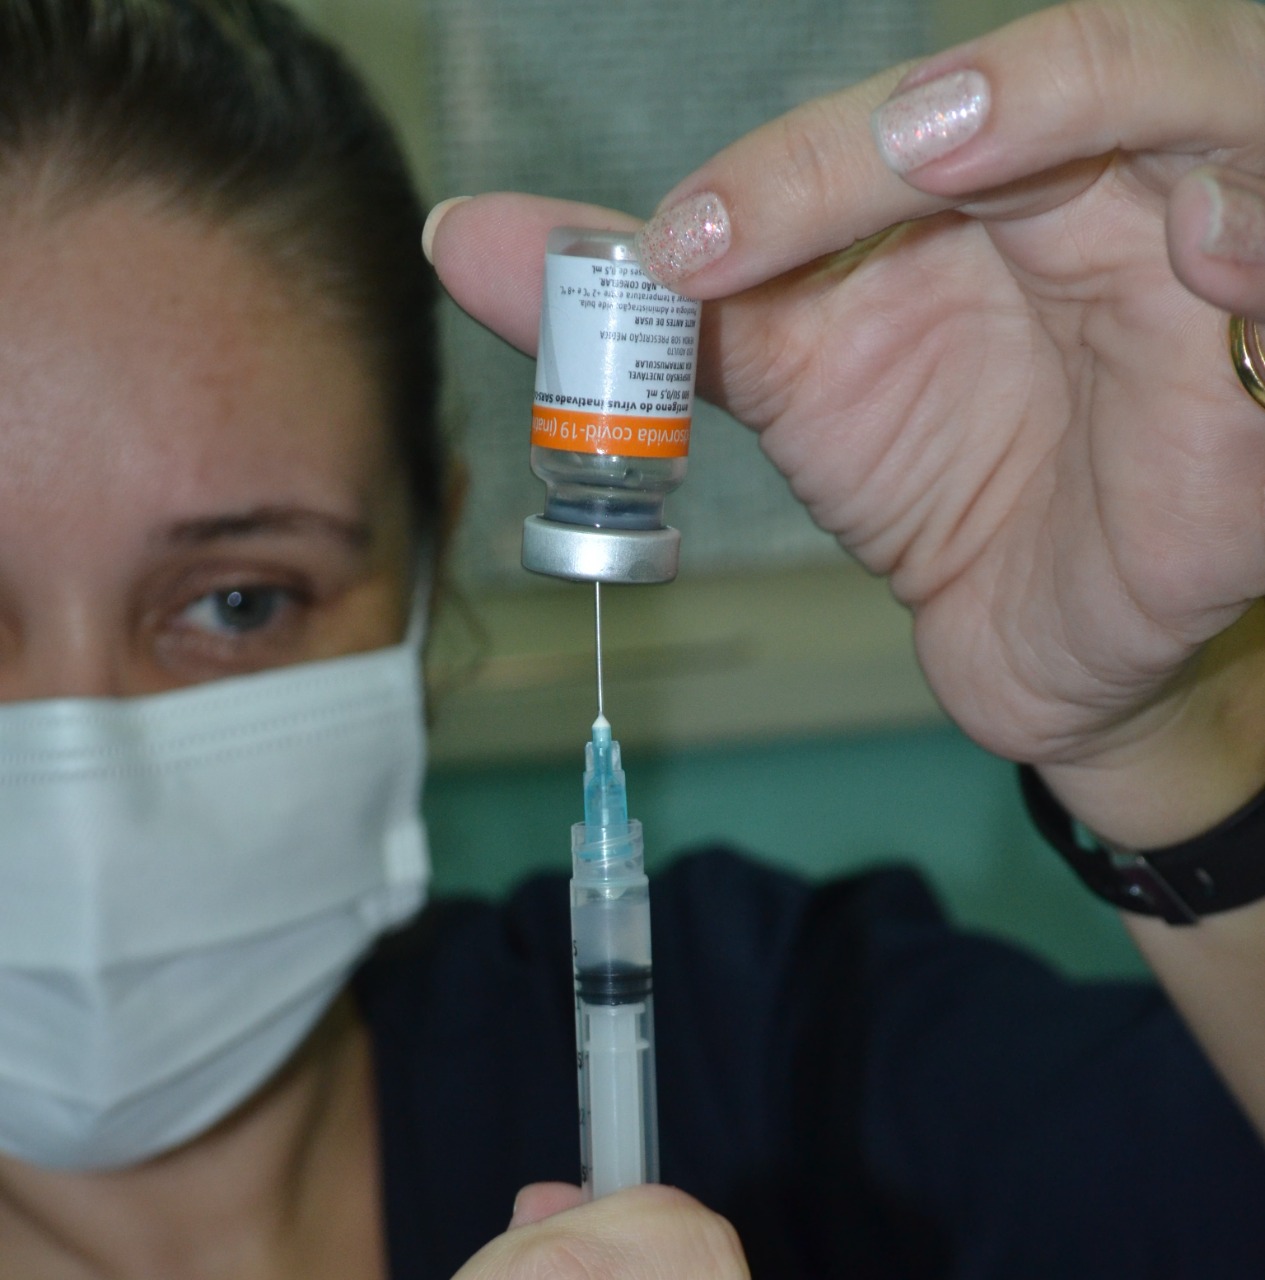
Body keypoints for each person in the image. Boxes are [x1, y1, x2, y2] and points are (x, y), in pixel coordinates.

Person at [1, 2, 1264, 1279]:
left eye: (237, 601)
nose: (81, 768)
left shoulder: (775, 1050)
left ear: (427, 585)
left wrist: (1155, 733)